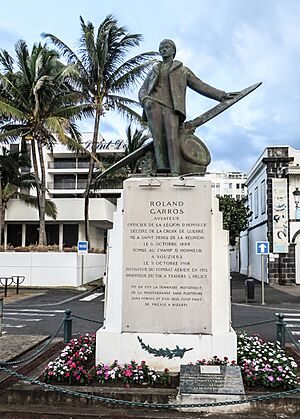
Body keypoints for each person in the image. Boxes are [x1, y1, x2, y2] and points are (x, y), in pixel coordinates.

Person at [139, 39, 236, 175]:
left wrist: (221, 95)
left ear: (173, 51)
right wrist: (145, 100)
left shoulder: (182, 70)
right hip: (153, 104)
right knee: (158, 138)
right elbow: (143, 89)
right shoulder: (155, 69)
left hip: (171, 107)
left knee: (172, 138)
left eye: (167, 47)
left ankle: (175, 171)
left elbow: (200, 85)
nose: (164, 49)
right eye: (161, 47)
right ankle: (162, 168)